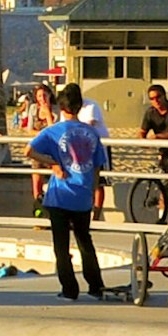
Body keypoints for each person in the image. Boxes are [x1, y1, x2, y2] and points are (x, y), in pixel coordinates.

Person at [30, 89, 109, 301]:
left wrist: (54, 164)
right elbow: (97, 165)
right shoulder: (91, 133)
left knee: (61, 245)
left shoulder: (55, 130)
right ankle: (95, 286)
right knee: (85, 242)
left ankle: (70, 289)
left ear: (61, 108)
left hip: (60, 194)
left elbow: (29, 150)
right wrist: (92, 191)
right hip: (83, 194)